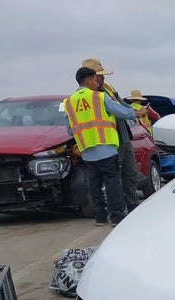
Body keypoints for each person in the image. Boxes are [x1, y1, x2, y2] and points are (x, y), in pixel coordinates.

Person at [64, 66, 144, 226]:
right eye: (95, 80)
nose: (97, 83)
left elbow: (70, 130)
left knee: (94, 185)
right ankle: (117, 217)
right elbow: (119, 110)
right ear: (88, 81)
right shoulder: (99, 97)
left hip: (87, 151)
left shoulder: (69, 102)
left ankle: (100, 218)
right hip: (106, 148)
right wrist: (136, 113)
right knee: (112, 183)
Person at [81, 58, 143, 212]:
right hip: (107, 143)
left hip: (123, 137)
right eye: (99, 75)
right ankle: (118, 211)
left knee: (130, 174)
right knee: (113, 180)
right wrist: (135, 113)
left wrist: (136, 111)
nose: (102, 78)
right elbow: (116, 110)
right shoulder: (88, 96)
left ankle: (133, 207)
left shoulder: (107, 88)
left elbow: (121, 104)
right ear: (90, 77)